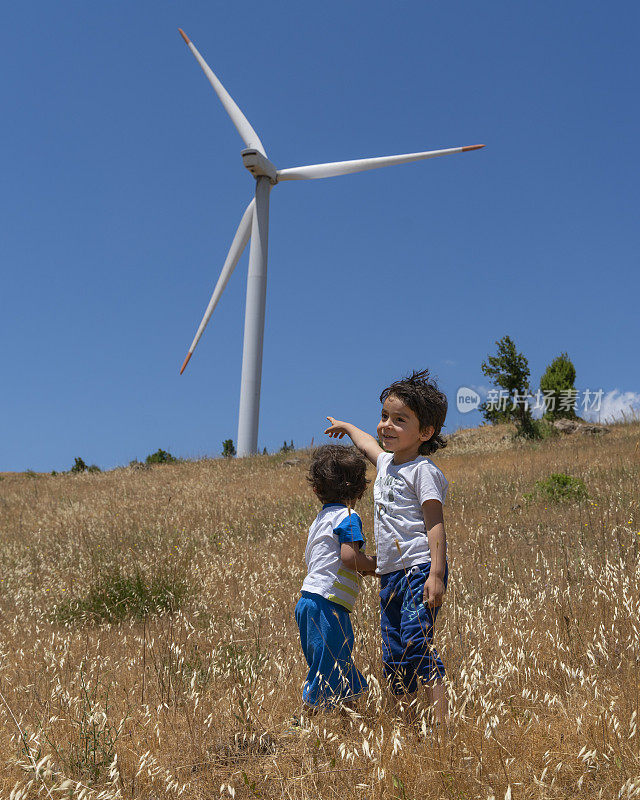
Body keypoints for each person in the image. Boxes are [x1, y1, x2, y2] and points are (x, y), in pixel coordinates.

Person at [325, 369, 449, 723]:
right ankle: (406, 728)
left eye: (399, 420)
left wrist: (436, 574)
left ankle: (440, 726)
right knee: (394, 655)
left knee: (417, 645)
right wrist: (347, 427)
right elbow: (366, 444)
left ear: (425, 433)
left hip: (419, 570)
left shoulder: (423, 471)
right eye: (384, 417)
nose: (386, 426)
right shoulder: (386, 464)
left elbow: (435, 524)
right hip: (391, 575)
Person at [295, 444, 377, 711]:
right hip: (328, 605)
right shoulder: (348, 517)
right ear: (360, 488)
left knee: (336, 661)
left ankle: (350, 722)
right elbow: (349, 558)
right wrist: (376, 566)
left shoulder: (320, 520)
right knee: (326, 667)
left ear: (317, 489)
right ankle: (302, 722)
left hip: (309, 603)